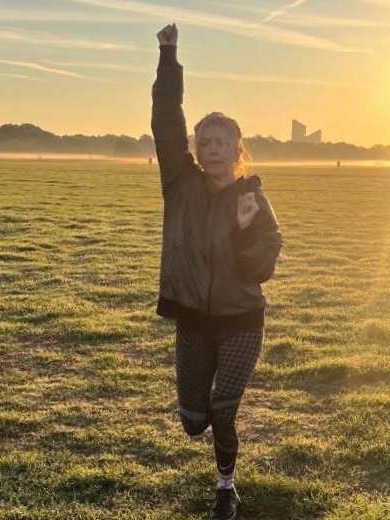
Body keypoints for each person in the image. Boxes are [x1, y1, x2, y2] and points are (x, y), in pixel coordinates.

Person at [152, 23, 283, 520]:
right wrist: (169, 56)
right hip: (192, 320)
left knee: (224, 408)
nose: (211, 149)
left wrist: (248, 230)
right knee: (192, 421)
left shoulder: (253, 197)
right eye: (204, 141)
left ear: (237, 149)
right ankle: (201, 418)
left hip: (241, 321)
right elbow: (166, 121)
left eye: (220, 142)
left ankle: (226, 488)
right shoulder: (179, 184)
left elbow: (261, 270)